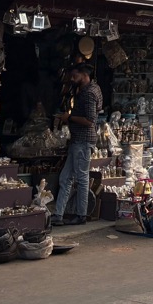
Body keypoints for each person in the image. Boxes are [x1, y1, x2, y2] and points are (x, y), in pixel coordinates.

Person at [51, 63, 102, 226]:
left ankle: (81, 215)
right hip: (78, 140)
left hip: (83, 140)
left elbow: (90, 120)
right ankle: (58, 214)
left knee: (81, 178)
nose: (72, 79)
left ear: (84, 75)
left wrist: (69, 117)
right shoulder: (90, 89)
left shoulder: (89, 93)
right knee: (66, 178)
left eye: (74, 76)